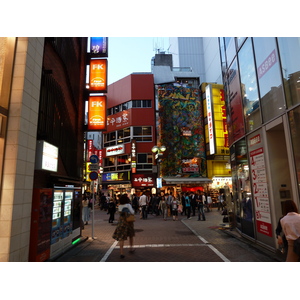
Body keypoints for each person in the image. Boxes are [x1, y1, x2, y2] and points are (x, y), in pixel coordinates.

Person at [112, 194, 135, 259]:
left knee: (121, 238)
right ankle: (131, 248)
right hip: (128, 223)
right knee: (131, 235)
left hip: (121, 223)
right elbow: (132, 212)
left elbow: (118, 213)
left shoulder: (119, 206)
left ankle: (121, 252)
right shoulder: (128, 205)